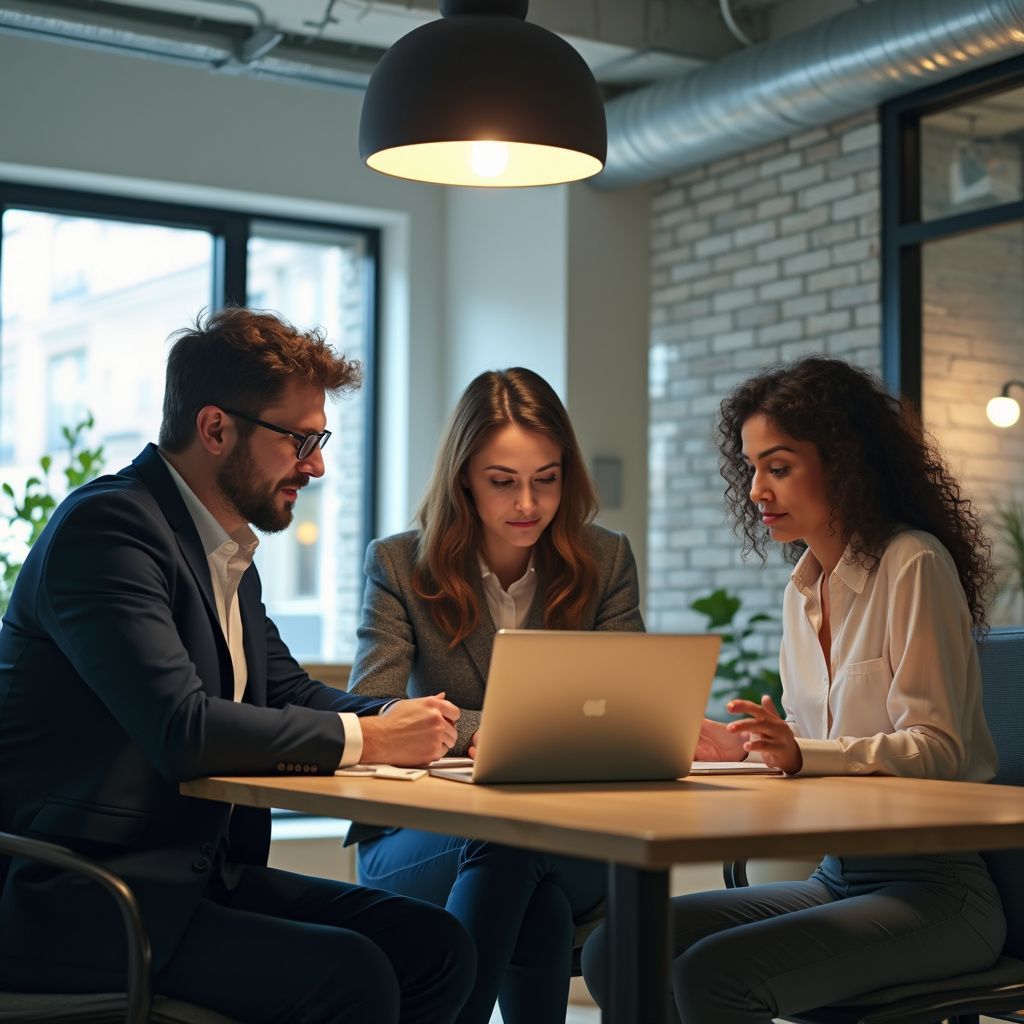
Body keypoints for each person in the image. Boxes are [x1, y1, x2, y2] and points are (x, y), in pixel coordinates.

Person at [0, 308, 475, 1024]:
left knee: (435, 946)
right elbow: (182, 729)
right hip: (82, 899)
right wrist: (371, 741)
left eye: (320, 439)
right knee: (353, 976)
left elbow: (288, 691)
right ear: (216, 428)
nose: (316, 463)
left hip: (189, 881)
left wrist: (428, 724)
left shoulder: (222, 553)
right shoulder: (108, 532)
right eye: (299, 439)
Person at [582, 355, 1006, 1023]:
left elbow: (941, 749)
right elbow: (814, 748)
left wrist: (805, 754)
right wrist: (745, 749)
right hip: (838, 877)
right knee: (616, 949)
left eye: (778, 467)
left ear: (844, 462)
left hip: (939, 892)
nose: (755, 489)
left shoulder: (913, 563)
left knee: (716, 979)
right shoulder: (802, 590)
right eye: (751, 468)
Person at [346, 366, 644, 1024]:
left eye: (547, 479)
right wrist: (526, 728)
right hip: (424, 835)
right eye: (502, 482)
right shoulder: (399, 564)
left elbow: (630, 713)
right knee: (515, 855)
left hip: (579, 835)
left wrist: (485, 728)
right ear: (463, 480)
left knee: (522, 853)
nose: (528, 504)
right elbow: (372, 708)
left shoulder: (606, 561)